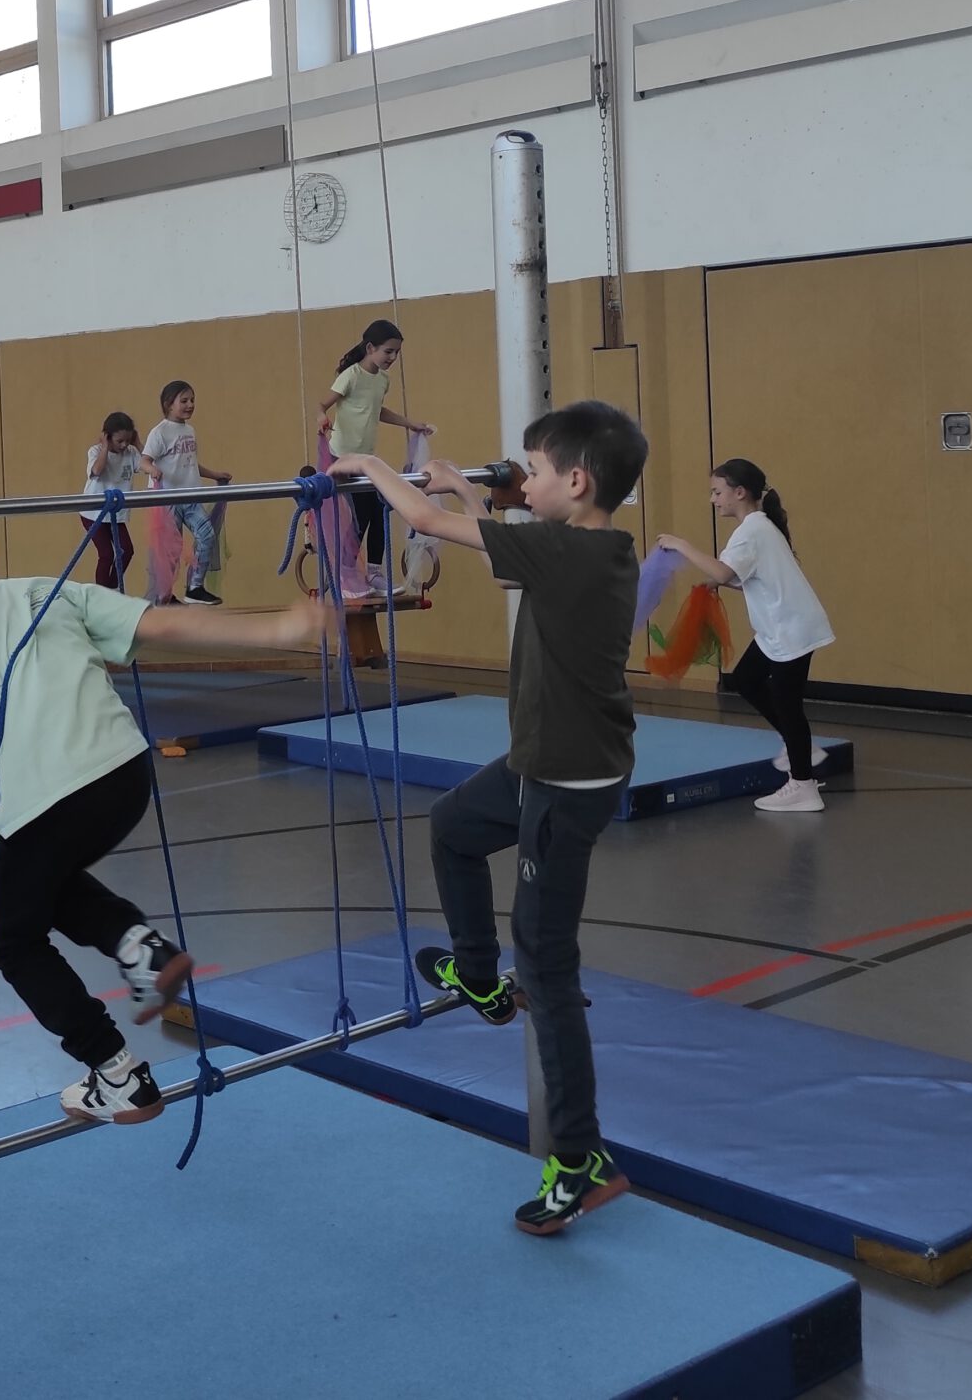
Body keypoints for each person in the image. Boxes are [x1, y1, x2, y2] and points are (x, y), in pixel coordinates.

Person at [0, 516, 332, 1123]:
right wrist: (278, 630)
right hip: (124, 775)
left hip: (44, 794)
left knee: (13, 941)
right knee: (45, 882)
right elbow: (162, 621)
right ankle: (140, 947)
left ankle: (115, 1071)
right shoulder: (55, 590)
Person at [338, 399, 648, 1236]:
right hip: (544, 760)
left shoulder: (564, 549)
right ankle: (477, 976)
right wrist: (480, 502)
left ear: (575, 482)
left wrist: (372, 471)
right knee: (453, 827)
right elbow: (509, 568)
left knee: (547, 967)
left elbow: (428, 523)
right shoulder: (593, 549)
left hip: (566, 781)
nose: (527, 484)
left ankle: (580, 1159)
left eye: (537, 472)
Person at [654, 458, 836, 814]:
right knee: (747, 679)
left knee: (788, 704)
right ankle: (799, 747)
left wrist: (681, 545)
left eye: (717, 492)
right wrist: (723, 582)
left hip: (790, 630)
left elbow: (723, 571)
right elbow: (747, 577)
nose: (713, 499)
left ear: (740, 493)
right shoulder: (759, 528)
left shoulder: (751, 531)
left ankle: (802, 785)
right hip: (782, 627)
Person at [317, 320, 434, 587]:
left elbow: (376, 410)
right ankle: (344, 568)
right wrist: (321, 418)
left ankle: (371, 570)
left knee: (380, 507)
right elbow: (322, 404)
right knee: (362, 513)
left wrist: (409, 423)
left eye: (396, 353)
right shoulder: (351, 376)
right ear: (370, 348)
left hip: (365, 458)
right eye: (388, 351)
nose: (392, 358)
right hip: (343, 457)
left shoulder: (382, 380)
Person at [142, 380, 232, 606]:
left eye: (192, 400)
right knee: (171, 550)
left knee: (207, 535)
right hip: (168, 500)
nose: (190, 405)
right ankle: (164, 594)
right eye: (184, 401)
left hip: (191, 498)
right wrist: (152, 470)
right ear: (168, 404)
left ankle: (195, 587)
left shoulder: (189, 430)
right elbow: (144, 460)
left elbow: (190, 463)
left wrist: (215, 474)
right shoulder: (160, 432)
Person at [80, 413, 143, 590]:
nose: (124, 445)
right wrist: (105, 447)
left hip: (115, 514)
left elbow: (147, 465)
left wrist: (138, 444)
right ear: (107, 437)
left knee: (126, 551)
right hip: (93, 514)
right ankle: (101, 594)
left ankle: (112, 589)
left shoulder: (131, 453)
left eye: (127, 440)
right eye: (119, 441)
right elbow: (97, 471)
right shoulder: (95, 451)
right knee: (106, 554)